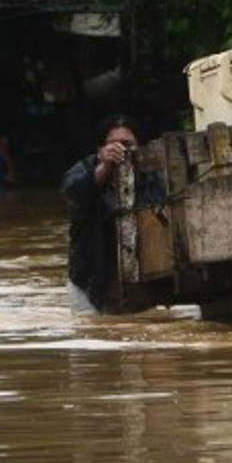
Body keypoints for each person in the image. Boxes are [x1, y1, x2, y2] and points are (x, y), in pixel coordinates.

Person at [60, 114, 160, 315]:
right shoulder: (83, 170)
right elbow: (72, 193)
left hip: (139, 283)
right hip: (89, 282)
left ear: (140, 147)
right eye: (113, 145)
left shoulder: (152, 176)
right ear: (100, 150)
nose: (121, 150)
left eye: (127, 144)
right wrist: (104, 168)